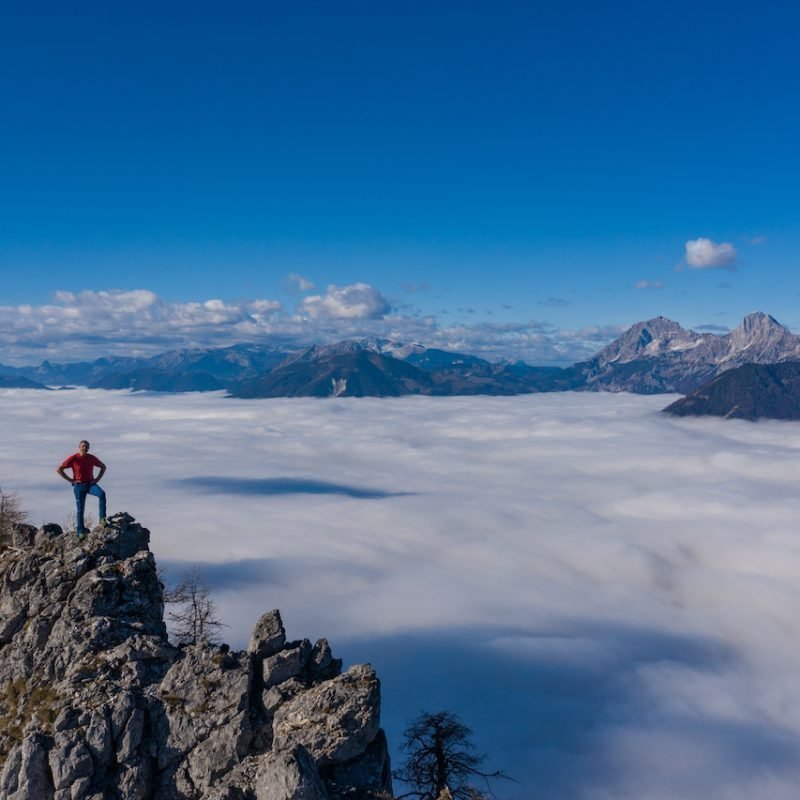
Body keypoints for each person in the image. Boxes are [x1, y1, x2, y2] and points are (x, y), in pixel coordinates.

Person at [57, 440, 107, 538]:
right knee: (80, 509)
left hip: (90, 484)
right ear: (79, 447)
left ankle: (102, 518)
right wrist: (70, 480)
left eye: (87, 446)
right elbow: (59, 469)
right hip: (79, 486)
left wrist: (97, 479)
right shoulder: (74, 458)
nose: (85, 448)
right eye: (83, 446)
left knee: (101, 494)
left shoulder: (91, 458)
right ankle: (80, 531)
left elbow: (103, 467)